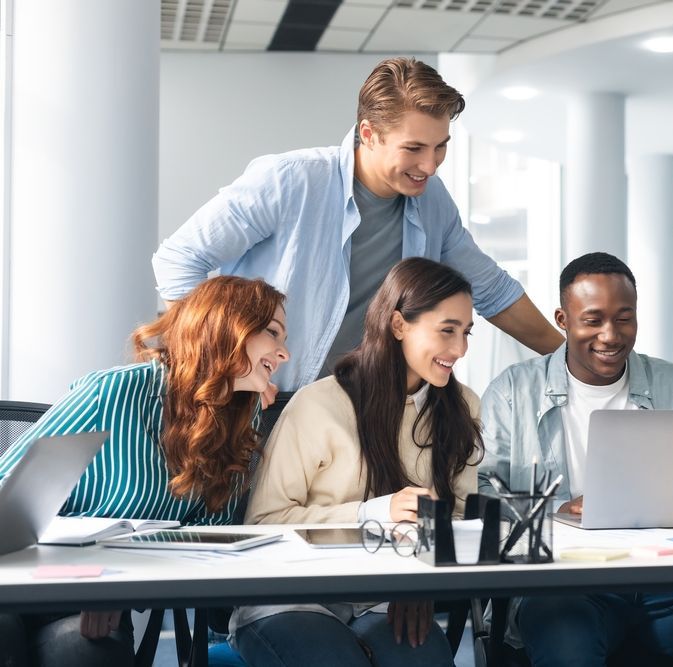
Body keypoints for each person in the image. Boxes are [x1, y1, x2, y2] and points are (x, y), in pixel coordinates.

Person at [152, 57, 562, 399]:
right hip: (262, 399)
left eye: (441, 146)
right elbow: (179, 259)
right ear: (369, 134)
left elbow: (492, 290)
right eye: (414, 148)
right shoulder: (291, 180)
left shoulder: (432, 200)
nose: (431, 165)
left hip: (356, 407)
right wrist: (225, 363)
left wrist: (571, 363)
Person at [478, 252, 673, 667]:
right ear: (563, 319)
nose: (610, 335)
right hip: (561, 584)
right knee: (568, 653)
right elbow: (483, 495)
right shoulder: (512, 391)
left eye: (624, 318)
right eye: (593, 320)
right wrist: (555, 511)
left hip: (670, 580)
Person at [0, 276, 290, 667]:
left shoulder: (241, 415)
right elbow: (7, 492)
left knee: (86, 656)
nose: (284, 353)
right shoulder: (115, 393)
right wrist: (93, 579)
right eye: (273, 332)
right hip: (20, 580)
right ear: (227, 326)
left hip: (95, 604)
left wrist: (114, 587)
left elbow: (208, 541)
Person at [231, 257, 482, 667]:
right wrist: (373, 514)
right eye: (447, 331)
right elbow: (264, 522)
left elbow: (460, 520)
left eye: (466, 332)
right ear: (399, 325)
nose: (460, 349)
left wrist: (418, 583)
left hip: (386, 599)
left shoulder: (462, 406)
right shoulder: (319, 405)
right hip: (292, 596)